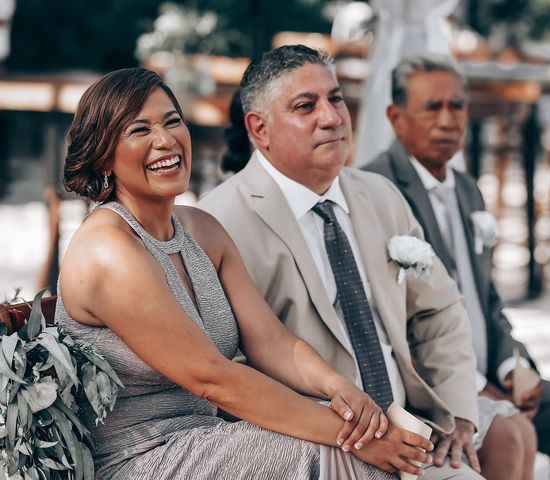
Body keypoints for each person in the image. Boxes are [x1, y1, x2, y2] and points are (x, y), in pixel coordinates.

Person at [56, 67, 433, 479]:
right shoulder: (108, 249)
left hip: (209, 437)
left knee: (361, 440)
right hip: (140, 457)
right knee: (353, 454)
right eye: (139, 130)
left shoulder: (203, 230)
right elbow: (213, 379)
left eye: (172, 121)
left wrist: (338, 388)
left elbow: (271, 342)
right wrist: (356, 436)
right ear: (104, 157)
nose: (165, 140)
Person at [197, 45, 483, 480]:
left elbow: (439, 310)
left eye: (335, 99)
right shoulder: (217, 222)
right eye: (305, 106)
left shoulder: (382, 195)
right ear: (259, 128)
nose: (332, 117)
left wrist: (459, 414)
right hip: (314, 447)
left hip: (417, 431)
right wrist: (346, 436)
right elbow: (227, 368)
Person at [364, 54, 550, 480]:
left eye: (457, 106)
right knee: (509, 434)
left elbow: (488, 302)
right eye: (431, 107)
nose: (448, 120)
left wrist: (514, 369)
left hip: (492, 374)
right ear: (395, 116)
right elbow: (391, 323)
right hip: (434, 387)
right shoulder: (374, 191)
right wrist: (477, 387)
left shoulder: (466, 189)